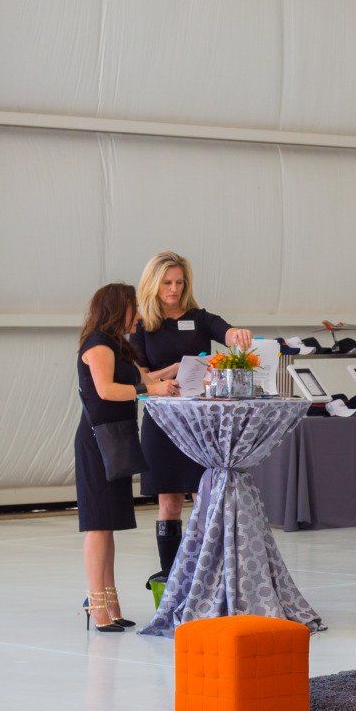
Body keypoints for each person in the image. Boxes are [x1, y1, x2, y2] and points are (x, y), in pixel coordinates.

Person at [129, 250, 253, 588]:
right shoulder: (142, 326)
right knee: (168, 501)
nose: (173, 289)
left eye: (179, 283)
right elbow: (142, 379)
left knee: (204, 499)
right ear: (153, 284)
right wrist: (171, 371)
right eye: (167, 283)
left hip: (199, 423)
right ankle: (171, 577)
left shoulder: (199, 318)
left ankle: (208, 575)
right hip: (162, 422)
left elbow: (225, 331)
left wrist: (236, 335)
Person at [78, 282, 178, 630]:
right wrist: (151, 389)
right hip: (98, 442)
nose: (138, 314)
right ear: (117, 309)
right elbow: (107, 390)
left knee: (109, 524)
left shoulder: (119, 347)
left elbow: (146, 378)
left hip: (118, 439)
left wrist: (178, 369)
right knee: (98, 524)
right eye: (133, 308)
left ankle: (111, 602)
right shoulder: (98, 345)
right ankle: (97, 604)